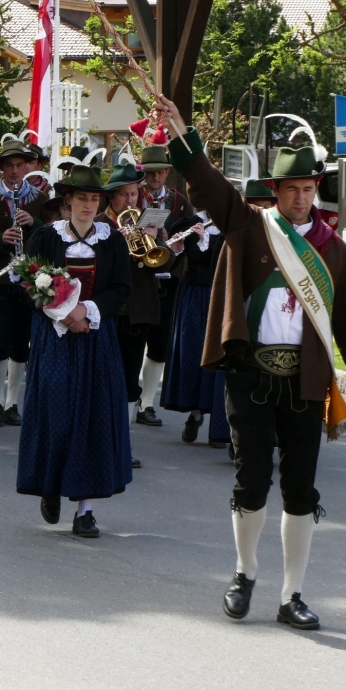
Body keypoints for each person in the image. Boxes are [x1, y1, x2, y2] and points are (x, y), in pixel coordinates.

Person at [160, 94, 346, 631]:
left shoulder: (335, 250)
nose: (302, 197)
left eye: (309, 188)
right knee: (250, 482)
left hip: (306, 381)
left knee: (302, 489)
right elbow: (208, 183)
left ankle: (292, 594)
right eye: (292, 189)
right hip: (251, 376)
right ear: (275, 191)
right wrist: (181, 132)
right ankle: (244, 572)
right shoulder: (251, 226)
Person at [15, 165, 133, 538]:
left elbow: (121, 288)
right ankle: (49, 486)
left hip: (97, 338)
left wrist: (88, 311)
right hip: (55, 337)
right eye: (82, 197)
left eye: (94, 198)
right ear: (68, 201)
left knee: (93, 416)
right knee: (55, 412)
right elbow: (29, 281)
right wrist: (65, 313)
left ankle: (85, 509)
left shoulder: (112, 240)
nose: (88, 205)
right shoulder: (46, 237)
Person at [102, 160, 177, 469]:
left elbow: (166, 265)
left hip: (139, 314)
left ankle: (123, 444)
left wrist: (159, 239)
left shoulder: (146, 224)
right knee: (105, 381)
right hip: (107, 315)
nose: (130, 201)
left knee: (131, 382)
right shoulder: (99, 225)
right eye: (123, 195)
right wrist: (123, 237)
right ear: (111, 198)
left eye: (133, 194)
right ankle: (101, 442)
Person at [0, 139, 48, 428]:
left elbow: (52, 240)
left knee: (22, 344)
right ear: (1, 169)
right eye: (9, 166)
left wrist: (36, 225)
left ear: (27, 166)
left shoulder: (39, 200)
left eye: (20, 165)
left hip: (31, 280)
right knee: (1, 342)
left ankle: (14, 402)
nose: (15, 171)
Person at [131, 142, 194, 427]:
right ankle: (130, 399)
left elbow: (191, 235)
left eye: (160, 173)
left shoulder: (179, 200)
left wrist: (175, 242)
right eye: (151, 173)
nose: (155, 179)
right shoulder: (131, 196)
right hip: (139, 279)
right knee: (134, 342)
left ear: (168, 173)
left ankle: (147, 403)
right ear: (143, 172)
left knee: (159, 344)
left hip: (169, 280)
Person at [159, 208, 230, 448]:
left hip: (222, 297)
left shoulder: (233, 223)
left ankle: (220, 426)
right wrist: (176, 248)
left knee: (219, 358)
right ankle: (196, 414)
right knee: (194, 356)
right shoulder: (188, 223)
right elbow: (168, 263)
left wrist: (205, 239)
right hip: (192, 297)